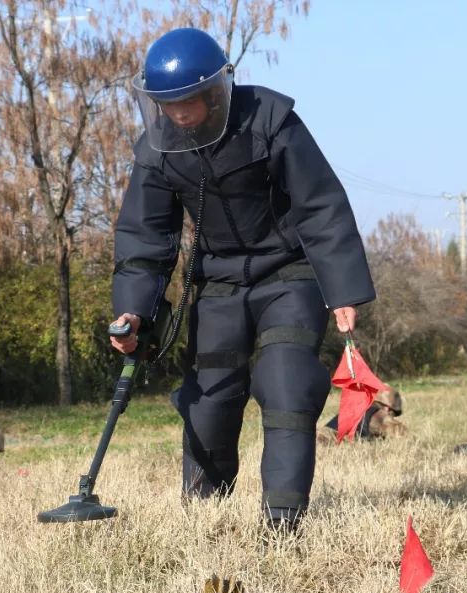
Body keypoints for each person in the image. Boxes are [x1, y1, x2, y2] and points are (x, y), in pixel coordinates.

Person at [109, 28, 375, 533]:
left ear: (215, 90)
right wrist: (133, 310)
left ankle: (282, 523)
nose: (180, 113)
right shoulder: (156, 149)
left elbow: (321, 204)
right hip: (217, 282)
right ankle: (205, 518)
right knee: (207, 400)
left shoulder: (271, 121)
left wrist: (343, 289)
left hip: (289, 273)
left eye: (189, 100)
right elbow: (144, 237)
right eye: (168, 103)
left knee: (286, 382)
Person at [318, 387, 406, 444]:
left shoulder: (360, 408)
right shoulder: (378, 414)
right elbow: (400, 432)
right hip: (327, 441)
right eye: (393, 414)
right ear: (387, 408)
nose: (392, 416)